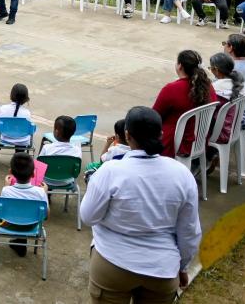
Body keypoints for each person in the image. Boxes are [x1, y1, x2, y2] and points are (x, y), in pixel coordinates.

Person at [80, 106, 201, 303]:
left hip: (112, 263)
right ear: (160, 134)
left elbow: (88, 216)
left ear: (127, 135)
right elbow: (189, 231)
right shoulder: (181, 174)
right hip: (162, 269)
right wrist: (181, 267)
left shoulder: (110, 171)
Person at [0, 152, 48, 252]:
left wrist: (6, 186)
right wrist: (44, 193)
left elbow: (3, 211)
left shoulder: (7, 190)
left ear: (10, 171)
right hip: (31, 227)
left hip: (9, 224)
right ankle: (21, 243)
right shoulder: (40, 192)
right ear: (33, 174)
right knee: (24, 210)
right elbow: (46, 215)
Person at [151, 50, 217, 157]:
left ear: (180, 66)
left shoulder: (171, 89)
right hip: (199, 141)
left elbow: (154, 116)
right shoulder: (208, 86)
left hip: (174, 142)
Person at [0, 83, 33, 149]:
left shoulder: (3, 108)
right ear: (25, 98)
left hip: (5, 139)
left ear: (12, 95)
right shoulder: (27, 113)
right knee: (22, 138)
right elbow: (29, 130)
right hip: (22, 141)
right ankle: (19, 153)